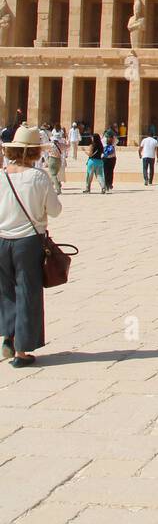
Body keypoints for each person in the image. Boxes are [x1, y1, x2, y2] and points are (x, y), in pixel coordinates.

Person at [0, 126, 62, 366]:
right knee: (27, 291)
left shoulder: (2, 175)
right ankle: (21, 351)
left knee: (6, 291)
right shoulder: (38, 177)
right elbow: (55, 211)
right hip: (28, 241)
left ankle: (8, 337)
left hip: (2, 239)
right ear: (36, 152)